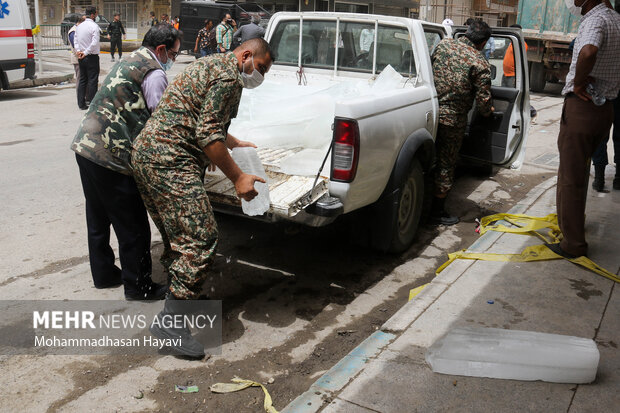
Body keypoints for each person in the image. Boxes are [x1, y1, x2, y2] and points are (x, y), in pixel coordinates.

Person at [132, 38, 274, 357]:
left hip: (148, 155)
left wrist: (233, 142)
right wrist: (238, 177)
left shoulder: (210, 63)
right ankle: (172, 322)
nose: (260, 76)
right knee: (201, 237)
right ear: (247, 55)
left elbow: (201, 116)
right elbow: (208, 133)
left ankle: (181, 303)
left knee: (179, 239)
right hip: (170, 160)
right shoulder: (229, 77)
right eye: (261, 68)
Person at [71, 24, 182, 300]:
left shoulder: (130, 59)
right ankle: (139, 287)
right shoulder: (154, 73)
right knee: (133, 224)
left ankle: (105, 274)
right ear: (161, 50)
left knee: (98, 217)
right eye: (174, 54)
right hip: (111, 157)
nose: (173, 60)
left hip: (85, 147)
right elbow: (161, 123)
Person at [548, 0, 620, 258]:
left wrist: (578, 83)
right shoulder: (615, 19)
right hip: (604, 107)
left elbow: (588, 51)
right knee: (578, 172)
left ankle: (573, 244)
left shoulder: (595, 19)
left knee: (572, 178)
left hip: (583, 107)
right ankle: (572, 225)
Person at [430, 19, 494, 225]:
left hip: (427, 113)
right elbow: (483, 104)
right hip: (453, 121)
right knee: (446, 165)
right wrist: (490, 111)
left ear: (466, 33)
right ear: (483, 43)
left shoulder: (442, 45)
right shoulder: (480, 62)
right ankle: (436, 212)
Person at [591, 1, 620, 192]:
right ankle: (619, 178)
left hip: (603, 91)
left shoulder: (606, 24)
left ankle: (600, 177)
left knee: (600, 135)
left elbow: (581, 48)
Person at [75, 6, 101, 110]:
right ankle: (92, 103)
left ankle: (81, 103)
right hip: (91, 57)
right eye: (96, 13)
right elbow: (94, 43)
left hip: (81, 56)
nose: (96, 15)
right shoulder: (94, 26)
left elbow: (75, 40)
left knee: (82, 80)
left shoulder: (79, 26)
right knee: (92, 80)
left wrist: (79, 52)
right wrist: (85, 52)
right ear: (93, 15)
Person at [68, 15, 85, 96]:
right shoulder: (73, 31)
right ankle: (80, 96)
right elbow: (75, 46)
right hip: (77, 58)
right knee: (80, 77)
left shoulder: (78, 30)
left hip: (81, 57)